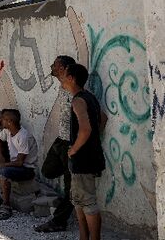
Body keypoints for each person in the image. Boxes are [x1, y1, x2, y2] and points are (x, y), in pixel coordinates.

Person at [62, 63, 107, 240]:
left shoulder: (78, 100)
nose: (62, 79)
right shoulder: (89, 97)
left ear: (72, 78)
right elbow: (103, 118)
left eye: (65, 75)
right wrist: (94, 139)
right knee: (79, 201)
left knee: (88, 203)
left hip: (83, 160)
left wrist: (73, 149)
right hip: (89, 157)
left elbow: (86, 129)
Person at [35, 55, 77, 232]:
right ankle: (69, 193)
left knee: (71, 188)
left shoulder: (75, 90)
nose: (51, 66)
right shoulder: (63, 86)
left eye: (55, 64)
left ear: (63, 68)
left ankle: (60, 220)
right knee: (47, 170)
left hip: (71, 143)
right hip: (61, 139)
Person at [0, 109, 38, 220]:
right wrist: (0, 154)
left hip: (26, 169)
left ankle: (6, 206)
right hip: (14, 166)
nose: (0, 121)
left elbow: (20, 162)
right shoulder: (7, 131)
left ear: (10, 121)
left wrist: (0, 165)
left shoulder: (23, 136)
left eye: (3, 119)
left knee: (3, 172)